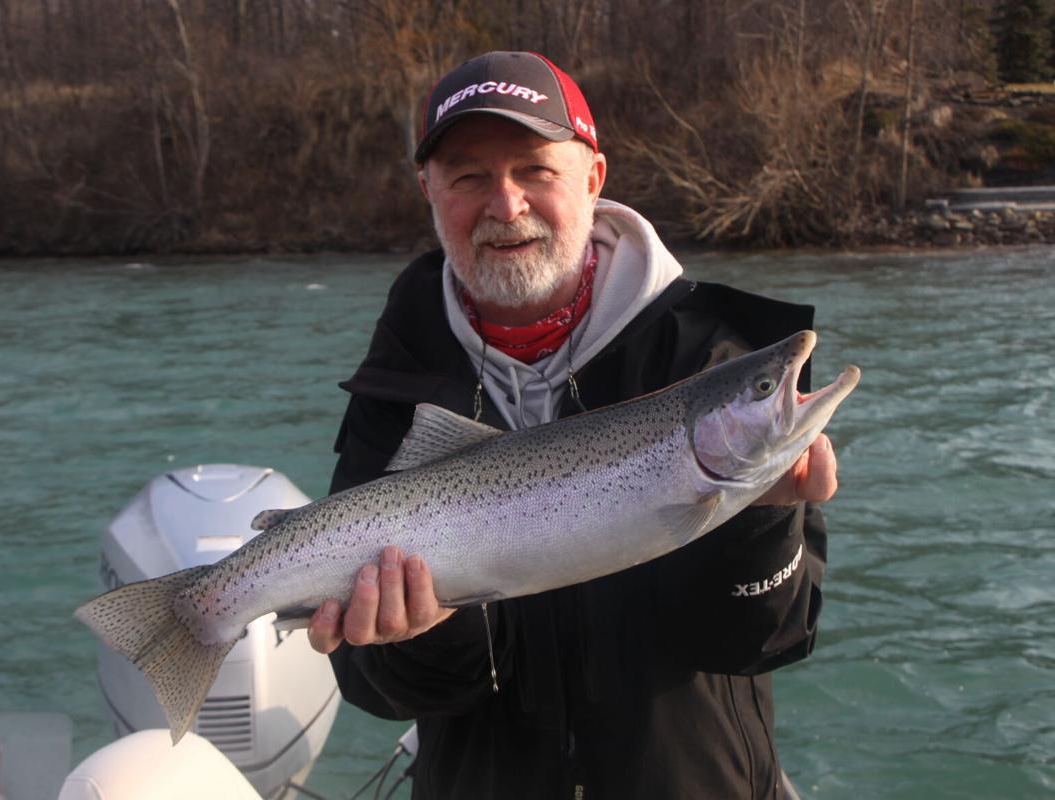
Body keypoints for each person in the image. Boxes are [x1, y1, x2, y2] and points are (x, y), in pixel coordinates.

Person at [307, 51, 837, 799]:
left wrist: (759, 521)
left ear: (592, 179)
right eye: (467, 177)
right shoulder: (394, 387)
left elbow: (770, 636)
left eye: (535, 170)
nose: (505, 204)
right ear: (427, 192)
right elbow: (377, 689)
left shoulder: (707, 356)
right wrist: (427, 629)